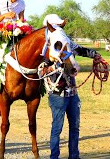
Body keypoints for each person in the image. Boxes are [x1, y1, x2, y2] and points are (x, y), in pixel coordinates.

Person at [42, 14, 106, 159]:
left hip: (72, 93)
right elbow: (42, 70)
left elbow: (81, 50)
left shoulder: (66, 42)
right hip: (57, 94)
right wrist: (53, 68)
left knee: (75, 127)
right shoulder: (46, 49)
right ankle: (54, 157)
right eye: (57, 25)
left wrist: (95, 55)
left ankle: (74, 156)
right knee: (57, 128)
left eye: (61, 26)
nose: (60, 28)